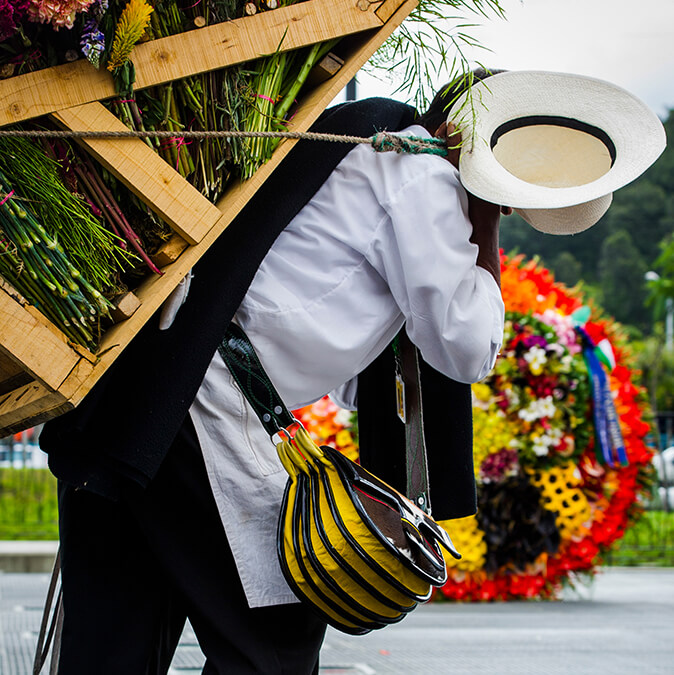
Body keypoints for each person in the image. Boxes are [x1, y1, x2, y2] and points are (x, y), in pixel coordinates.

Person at [39, 70, 507, 674]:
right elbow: (467, 347)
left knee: (113, 645)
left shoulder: (374, 149)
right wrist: (486, 221)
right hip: (201, 398)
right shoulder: (423, 177)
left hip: (151, 385)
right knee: (275, 643)